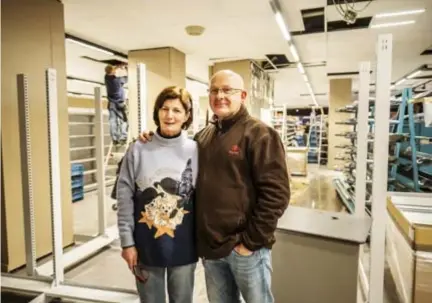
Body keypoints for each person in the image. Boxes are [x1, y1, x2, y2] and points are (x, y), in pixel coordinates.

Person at [139, 70, 291, 303]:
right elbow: (178, 154)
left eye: (227, 90)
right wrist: (154, 138)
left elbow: (277, 194)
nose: (220, 95)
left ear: (243, 95)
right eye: (214, 90)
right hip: (212, 250)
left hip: (246, 250)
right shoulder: (204, 136)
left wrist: (250, 243)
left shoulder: (260, 134)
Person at [116, 86, 198, 303]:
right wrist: (126, 242)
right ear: (157, 112)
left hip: (185, 246)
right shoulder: (138, 149)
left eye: (177, 110)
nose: (170, 115)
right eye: (164, 108)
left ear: (186, 116)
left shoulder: (197, 150)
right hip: (145, 246)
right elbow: (124, 199)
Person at [105, 64, 129, 145]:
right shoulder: (118, 80)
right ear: (112, 72)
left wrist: (118, 67)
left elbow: (110, 70)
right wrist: (126, 68)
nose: (115, 71)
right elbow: (128, 78)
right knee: (124, 121)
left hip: (111, 104)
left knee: (113, 121)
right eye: (114, 71)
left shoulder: (106, 78)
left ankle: (115, 139)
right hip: (119, 104)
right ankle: (123, 137)